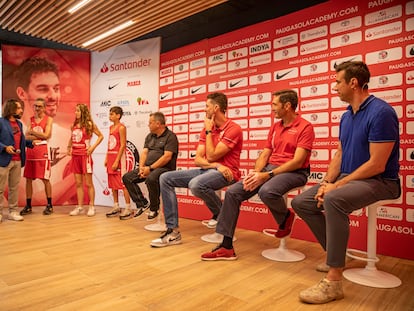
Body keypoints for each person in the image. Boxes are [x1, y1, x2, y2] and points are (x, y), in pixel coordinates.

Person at [291, 61, 400, 304]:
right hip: (349, 178)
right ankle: (336, 255)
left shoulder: (381, 112)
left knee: (334, 198)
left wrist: (336, 187)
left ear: (353, 82)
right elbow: (339, 154)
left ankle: (333, 281)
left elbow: (377, 164)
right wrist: (326, 182)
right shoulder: (346, 116)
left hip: (381, 181)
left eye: (338, 82)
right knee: (302, 202)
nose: (334, 87)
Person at [200, 89, 315, 258]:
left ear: (288, 106)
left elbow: (297, 161)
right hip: (270, 169)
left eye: (275, 104)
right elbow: (266, 153)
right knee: (233, 192)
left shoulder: (305, 127)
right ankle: (226, 246)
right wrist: (256, 172)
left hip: (295, 172)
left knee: (266, 190)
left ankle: (284, 217)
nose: (272, 108)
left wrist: (267, 176)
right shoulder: (276, 126)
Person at [150, 92, 243, 248]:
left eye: (207, 106)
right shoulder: (207, 128)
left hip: (229, 173)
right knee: (165, 178)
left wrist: (208, 133)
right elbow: (198, 159)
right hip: (213, 170)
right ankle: (173, 231)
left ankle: (220, 214)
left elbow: (212, 155)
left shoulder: (233, 129)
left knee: (196, 184)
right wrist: (217, 166)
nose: (204, 110)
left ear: (216, 108)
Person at [122, 112, 178, 220]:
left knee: (151, 179)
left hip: (164, 168)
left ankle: (154, 209)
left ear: (158, 124)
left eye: (150, 123)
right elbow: (144, 152)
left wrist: (150, 168)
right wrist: (142, 167)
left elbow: (167, 157)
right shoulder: (150, 136)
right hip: (148, 167)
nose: (148, 125)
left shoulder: (170, 136)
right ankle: (142, 203)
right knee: (127, 177)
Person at [0, 99, 35, 222]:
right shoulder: (1, 122)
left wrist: (30, 143)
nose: (21, 110)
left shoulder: (19, 124)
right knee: (0, 188)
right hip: (3, 161)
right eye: (19, 108)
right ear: (11, 109)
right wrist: (4, 147)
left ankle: (13, 211)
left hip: (17, 160)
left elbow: (20, 141)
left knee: (13, 188)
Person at [67, 104, 103, 216]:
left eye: (77, 111)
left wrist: (92, 148)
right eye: (75, 110)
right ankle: (80, 206)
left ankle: (92, 206)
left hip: (85, 156)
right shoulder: (74, 125)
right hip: (75, 156)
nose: (75, 113)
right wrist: (69, 147)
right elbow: (72, 137)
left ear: (83, 112)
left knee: (88, 183)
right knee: (78, 183)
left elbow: (101, 136)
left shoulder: (89, 124)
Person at [19, 98, 54, 216]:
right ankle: (28, 206)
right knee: (28, 179)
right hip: (31, 152)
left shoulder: (49, 119)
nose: (37, 108)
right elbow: (26, 137)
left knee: (45, 179)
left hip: (42, 152)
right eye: (35, 106)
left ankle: (49, 205)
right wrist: (39, 135)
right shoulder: (30, 120)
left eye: (40, 106)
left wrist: (33, 133)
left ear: (44, 108)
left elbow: (47, 135)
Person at [104, 106, 132, 218]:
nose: (110, 116)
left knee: (123, 183)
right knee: (112, 183)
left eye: (112, 114)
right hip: (111, 158)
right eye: (109, 114)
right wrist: (107, 157)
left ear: (118, 115)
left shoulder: (121, 127)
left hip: (119, 159)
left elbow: (123, 145)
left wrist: (116, 161)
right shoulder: (111, 127)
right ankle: (116, 206)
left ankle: (128, 208)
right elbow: (110, 143)